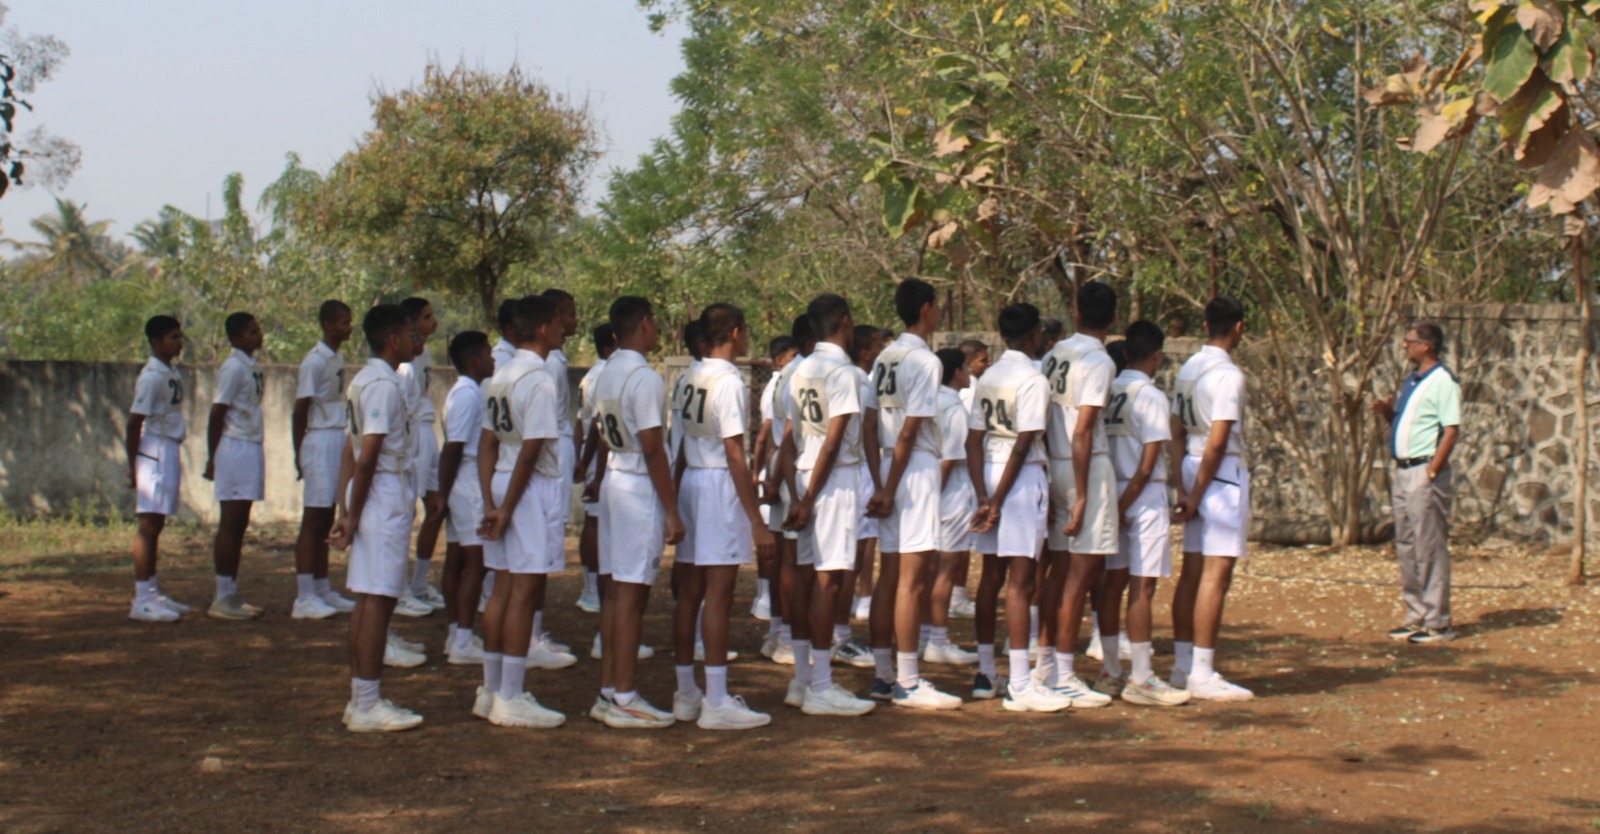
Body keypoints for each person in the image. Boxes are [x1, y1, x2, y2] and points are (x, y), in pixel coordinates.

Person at [670, 303, 776, 730]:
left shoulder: (689, 377)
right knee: (718, 592)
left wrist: (673, 499)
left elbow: (678, 443)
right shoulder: (728, 381)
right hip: (716, 485)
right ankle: (715, 701)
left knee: (690, 592)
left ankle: (686, 693)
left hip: (692, 481)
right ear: (734, 333)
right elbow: (735, 453)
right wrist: (756, 521)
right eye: (745, 331)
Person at [967, 304, 1071, 712]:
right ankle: (1021, 682)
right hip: (1019, 479)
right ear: (1034, 336)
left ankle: (985, 671)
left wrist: (982, 495)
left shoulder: (988, 376)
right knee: (1021, 580)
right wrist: (997, 502)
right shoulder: (1033, 379)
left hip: (989, 471)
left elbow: (973, 440)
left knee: (991, 576)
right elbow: (1025, 442)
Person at [864, 278, 962, 710]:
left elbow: (870, 424)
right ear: (926, 308)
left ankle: (884, 675)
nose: (938, 312)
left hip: (887, 465)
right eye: (936, 305)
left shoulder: (884, 357)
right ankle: (907, 680)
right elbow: (910, 429)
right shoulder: (924, 360)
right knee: (912, 578)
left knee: (889, 575)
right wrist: (888, 488)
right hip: (914, 469)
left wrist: (878, 480)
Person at [589, 295, 685, 729]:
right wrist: (671, 510)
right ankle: (625, 696)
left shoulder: (607, 371)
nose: (658, 329)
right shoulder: (643, 377)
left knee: (615, 590)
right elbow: (653, 448)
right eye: (655, 322)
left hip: (615, 479)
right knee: (631, 594)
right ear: (644, 323)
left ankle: (610, 689)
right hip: (637, 488)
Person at [780, 294, 879, 716]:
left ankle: (802, 679)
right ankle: (821, 685)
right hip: (832, 481)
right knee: (829, 580)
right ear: (845, 322)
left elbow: (788, 438)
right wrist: (808, 498)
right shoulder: (847, 374)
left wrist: (796, 491)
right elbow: (835, 441)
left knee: (806, 577)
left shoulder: (799, 370)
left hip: (804, 473)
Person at [474, 296, 570, 729]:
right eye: (559, 324)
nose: (564, 331)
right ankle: (511, 696)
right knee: (524, 592)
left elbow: (487, 444)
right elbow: (532, 451)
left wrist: (490, 501)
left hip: (501, 481)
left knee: (501, 587)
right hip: (526, 490)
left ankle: (491, 688)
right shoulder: (539, 379)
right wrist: (509, 508)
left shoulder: (500, 375)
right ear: (544, 329)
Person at [329, 304, 423, 732]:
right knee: (378, 598)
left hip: (371, 492)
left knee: (369, 597)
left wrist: (346, 507)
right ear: (393, 340)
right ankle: (366, 703)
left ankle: (362, 698)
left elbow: (349, 451)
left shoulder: (362, 381)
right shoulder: (383, 385)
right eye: (410, 334)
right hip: (382, 491)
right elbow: (366, 456)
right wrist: (352, 514)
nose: (415, 340)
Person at [1037, 281, 1119, 708]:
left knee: (1059, 569)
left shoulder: (1053, 355)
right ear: (1113, 318)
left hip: (1053, 462)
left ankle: (1045, 664)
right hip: (1084, 465)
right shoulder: (1099, 360)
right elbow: (1084, 431)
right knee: (1079, 573)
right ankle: (1065, 674)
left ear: (1077, 310)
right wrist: (1084, 494)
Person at [1103, 322, 1191, 706]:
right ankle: (1141, 676)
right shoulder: (1151, 396)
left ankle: (1110, 670)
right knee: (1142, 586)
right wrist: (1126, 506)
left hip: (1111, 489)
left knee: (1111, 584)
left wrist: (1114, 506)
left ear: (1125, 354)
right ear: (1157, 356)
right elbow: (1148, 462)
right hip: (1141, 496)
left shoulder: (1109, 391)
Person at [1170, 295, 1254, 701]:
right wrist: (1199, 494)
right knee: (1215, 573)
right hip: (1218, 475)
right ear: (1239, 327)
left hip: (1191, 464)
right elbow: (1218, 441)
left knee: (1192, 569)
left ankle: (1182, 665)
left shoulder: (1189, 367)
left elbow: (1174, 429)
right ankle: (1202, 671)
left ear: (1206, 325)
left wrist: (1182, 486)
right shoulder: (1228, 375)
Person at [1372, 321, 1462, 645]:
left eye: (1409, 341)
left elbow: (1450, 431)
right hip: (1403, 471)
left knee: (1429, 545)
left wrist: (1432, 471)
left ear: (1426, 345)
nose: (1404, 346)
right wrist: (1386, 413)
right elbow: (1406, 423)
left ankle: (1438, 621)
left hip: (1423, 471)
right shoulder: (1412, 380)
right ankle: (1416, 615)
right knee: (1407, 545)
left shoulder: (1443, 381)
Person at [292, 300, 356, 620]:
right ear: (328, 325)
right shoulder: (314, 362)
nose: (349, 327)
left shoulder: (336, 358)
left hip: (335, 436)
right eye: (343, 322)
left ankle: (321, 587)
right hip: (318, 439)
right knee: (314, 518)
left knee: (327, 514)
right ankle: (304, 596)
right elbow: (300, 409)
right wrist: (299, 452)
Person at [126, 315, 191, 622]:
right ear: (156, 342)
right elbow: (134, 421)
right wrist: (133, 464)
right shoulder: (151, 377)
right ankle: (142, 598)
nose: (179, 343)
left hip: (168, 446)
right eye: (172, 337)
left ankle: (152, 591)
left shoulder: (170, 371)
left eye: (179, 336)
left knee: (158, 522)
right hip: (154, 449)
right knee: (149, 524)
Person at [760, 317, 815, 667]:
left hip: (781, 469)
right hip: (792, 471)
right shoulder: (801, 374)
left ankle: (778, 632)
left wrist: (771, 475)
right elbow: (788, 432)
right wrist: (782, 479)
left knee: (783, 557)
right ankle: (789, 638)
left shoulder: (782, 376)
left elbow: (774, 433)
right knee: (793, 561)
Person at [205, 311, 266, 621]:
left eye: (258, 330)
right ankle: (222, 595)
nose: (259, 335)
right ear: (236, 338)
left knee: (241, 520)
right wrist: (212, 456)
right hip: (235, 446)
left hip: (250, 443)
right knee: (230, 520)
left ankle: (231, 591)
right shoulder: (232, 368)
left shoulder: (250, 366)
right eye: (252, 332)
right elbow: (218, 412)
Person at [440, 331, 494, 665]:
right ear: (474, 360)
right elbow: (454, 447)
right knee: (477, 562)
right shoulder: (468, 396)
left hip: (460, 481)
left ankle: (456, 633)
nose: (493, 359)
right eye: (487, 353)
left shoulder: (465, 392)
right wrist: (443, 494)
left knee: (458, 557)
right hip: (467, 481)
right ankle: (461, 638)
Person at [923, 348, 979, 666]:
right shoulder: (954, 408)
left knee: (929, 568)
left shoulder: (930, 401)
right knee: (945, 569)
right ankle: (938, 640)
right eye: (966, 368)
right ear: (956, 373)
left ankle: (924, 635)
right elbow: (949, 460)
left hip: (928, 490)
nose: (969, 373)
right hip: (950, 493)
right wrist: (936, 497)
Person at [398, 297, 446, 616]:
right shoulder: (404, 365)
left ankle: (418, 583)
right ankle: (398, 588)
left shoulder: (423, 353)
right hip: (413, 433)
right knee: (405, 511)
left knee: (436, 505)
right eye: (427, 317)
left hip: (427, 431)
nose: (434, 321)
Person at [750, 335, 797, 623]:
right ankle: (769, 604)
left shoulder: (784, 381)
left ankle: (776, 618)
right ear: (780, 360)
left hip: (778, 469)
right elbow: (768, 436)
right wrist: (765, 474)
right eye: (792, 355)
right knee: (784, 552)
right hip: (782, 471)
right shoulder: (781, 384)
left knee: (781, 547)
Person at [575, 323, 618, 614]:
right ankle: (592, 589)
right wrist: (589, 462)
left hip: (590, 454)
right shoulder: (605, 374)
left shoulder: (590, 375)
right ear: (608, 348)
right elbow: (596, 425)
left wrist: (580, 458)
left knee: (593, 520)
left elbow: (580, 421)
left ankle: (590, 587)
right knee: (596, 522)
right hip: (599, 455)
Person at [848, 325, 886, 629]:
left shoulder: (856, 380)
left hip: (856, 467)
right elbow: (867, 431)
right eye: (877, 346)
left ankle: (858, 597)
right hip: (859, 467)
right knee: (861, 542)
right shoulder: (862, 384)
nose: (881, 351)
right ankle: (860, 597)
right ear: (864, 353)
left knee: (861, 541)